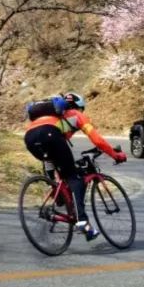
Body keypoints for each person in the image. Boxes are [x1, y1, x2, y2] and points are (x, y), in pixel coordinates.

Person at [24, 91, 126, 241]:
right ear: (79, 107)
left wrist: (51, 177)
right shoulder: (77, 116)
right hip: (50, 136)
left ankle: (57, 196)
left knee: (58, 167)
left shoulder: (55, 118)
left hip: (30, 137)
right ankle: (83, 222)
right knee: (76, 178)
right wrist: (116, 155)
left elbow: (53, 156)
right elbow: (98, 141)